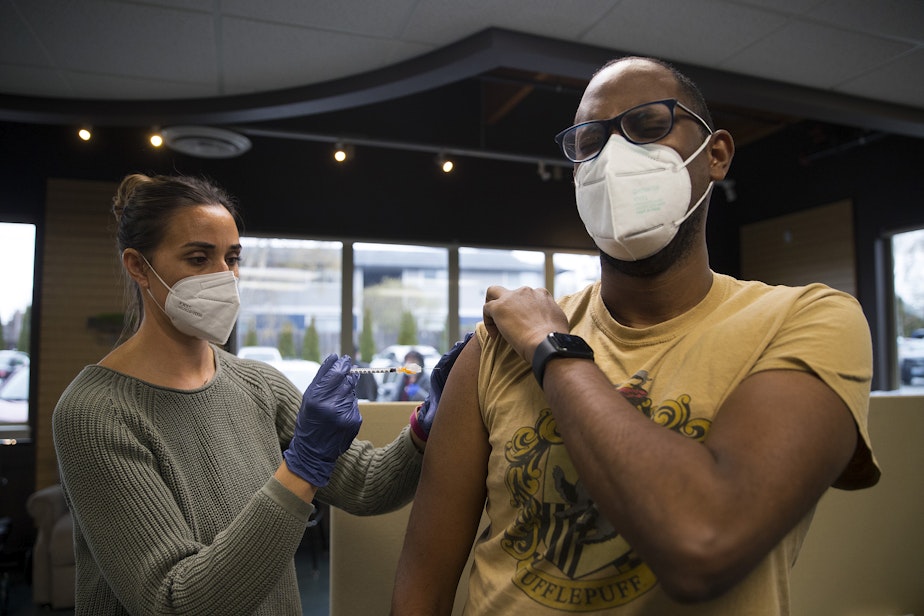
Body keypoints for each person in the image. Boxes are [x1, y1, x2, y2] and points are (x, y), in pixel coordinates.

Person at [391, 56, 880, 615]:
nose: (615, 160)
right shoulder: (497, 343)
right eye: (590, 142)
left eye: (648, 127)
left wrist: (553, 348)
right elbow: (420, 588)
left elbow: (705, 541)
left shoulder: (806, 320)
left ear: (716, 155)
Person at [51, 173, 462, 615]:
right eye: (197, 258)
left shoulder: (258, 385)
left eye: (231, 258)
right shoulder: (94, 413)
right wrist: (302, 468)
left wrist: (428, 421)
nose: (223, 277)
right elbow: (173, 602)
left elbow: (368, 486)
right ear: (138, 266)